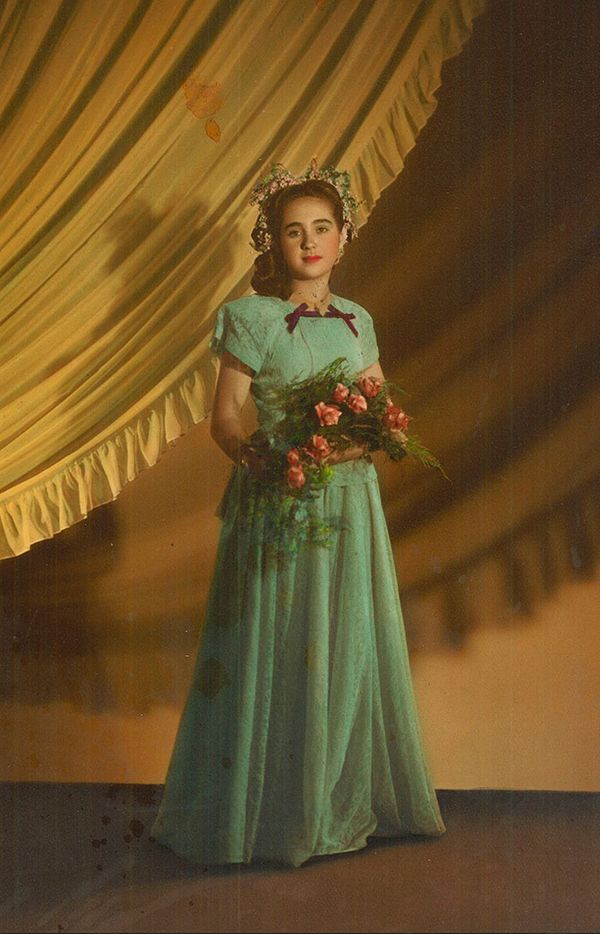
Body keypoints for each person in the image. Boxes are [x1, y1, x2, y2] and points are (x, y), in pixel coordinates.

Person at [151, 161, 446, 868]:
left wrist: (391, 432)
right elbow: (224, 417)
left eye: (321, 229)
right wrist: (259, 459)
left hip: (351, 503)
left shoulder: (359, 321)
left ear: (342, 238)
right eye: (293, 232)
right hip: (283, 499)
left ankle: (329, 803)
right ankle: (265, 818)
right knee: (276, 646)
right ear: (272, 244)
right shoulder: (249, 318)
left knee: (342, 643)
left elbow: (377, 403)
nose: (309, 242)